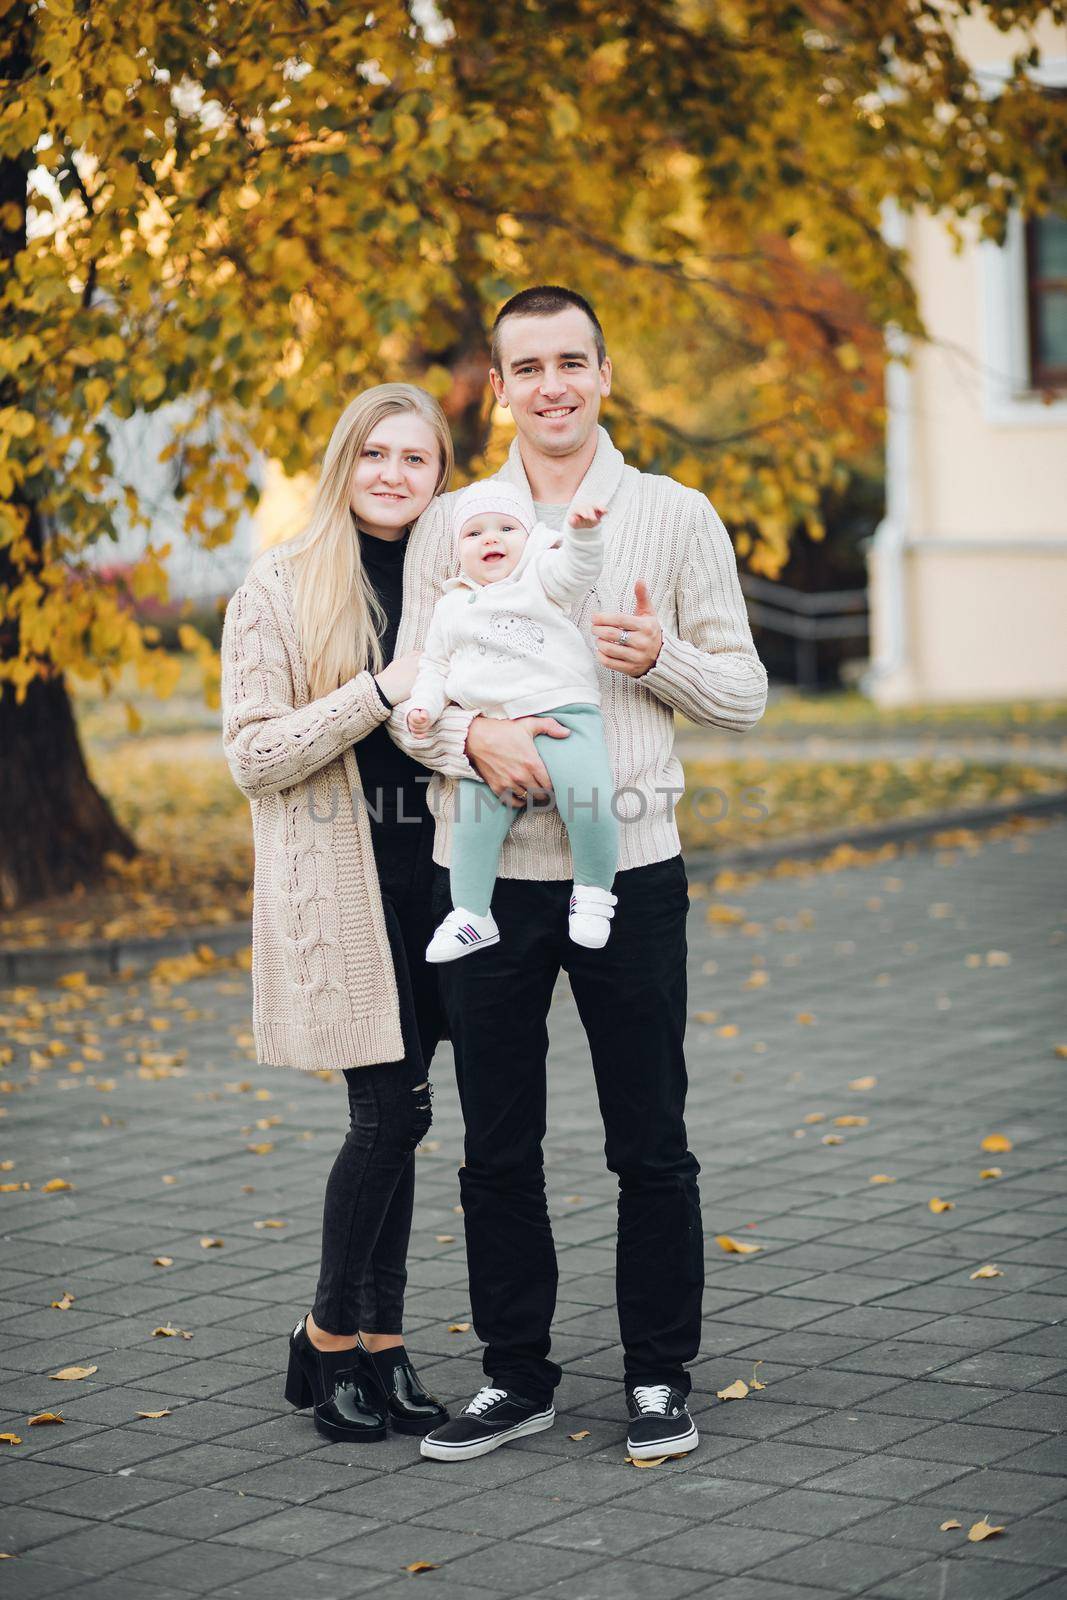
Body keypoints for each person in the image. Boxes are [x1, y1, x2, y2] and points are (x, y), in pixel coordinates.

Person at [388, 286, 769, 1464]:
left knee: (647, 1140)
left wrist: (664, 662)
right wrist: (468, 742)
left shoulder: (670, 513)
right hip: (488, 880)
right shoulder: (453, 520)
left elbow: (746, 694)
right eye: (526, 366)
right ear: (495, 388)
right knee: (495, 1145)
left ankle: (658, 1376)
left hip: (632, 868)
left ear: (603, 374)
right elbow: (411, 697)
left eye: (571, 361)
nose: (550, 384)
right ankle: (516, 1376)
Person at [220, 383, 453, 1446]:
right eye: (374, 454)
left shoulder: (457, 577)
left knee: (407, 1115)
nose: (394, 473)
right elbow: (252, 754)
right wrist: (375, 688)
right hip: (344, 888)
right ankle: (325, 1338)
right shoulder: (277, 585)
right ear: (341, 464)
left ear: (440, 473)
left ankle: (383, 1344)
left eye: (416, 457)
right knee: (389, 1112)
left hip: (442, 888)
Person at [405, 479, 619, 961]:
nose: (491, 539)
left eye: (506, 528)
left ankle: (593, 894)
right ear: (458, 550)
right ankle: (472, 915)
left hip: (563, 713)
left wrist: (581, 534)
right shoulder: (451, 605)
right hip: (491, 730)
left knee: (589, 799)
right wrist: (426, 706)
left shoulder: (539, 578)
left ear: (529, 538)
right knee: (473, 822)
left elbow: (575, 571)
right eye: (474, 533)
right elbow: (434, 666)